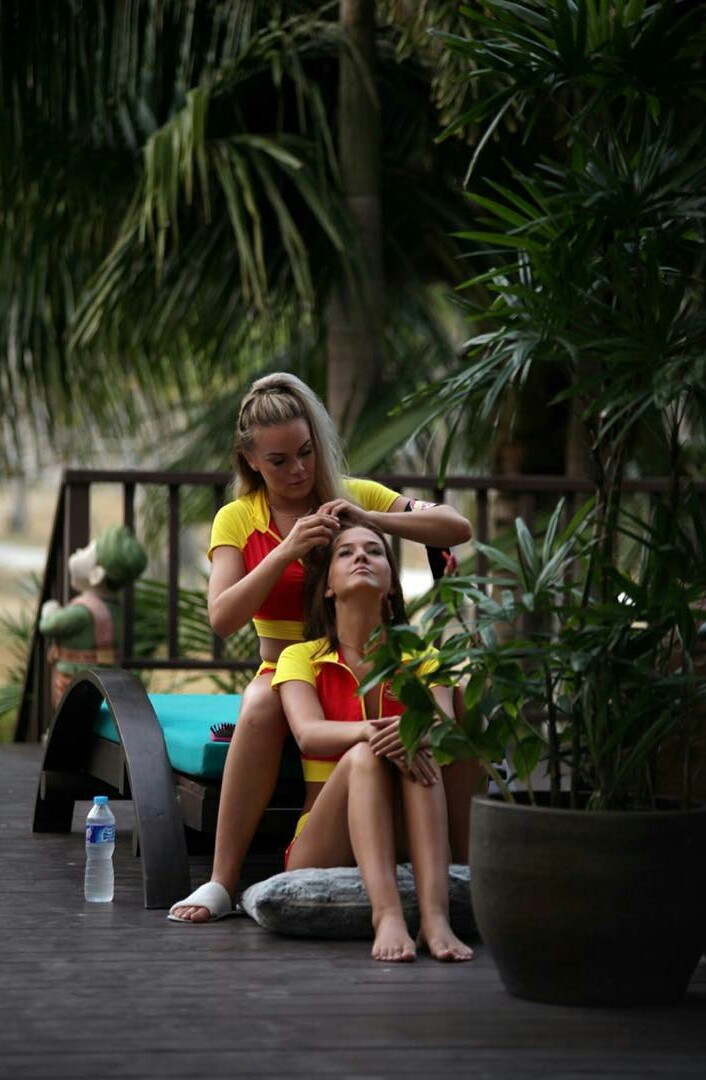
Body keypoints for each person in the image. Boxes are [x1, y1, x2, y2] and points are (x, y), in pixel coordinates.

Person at [169, 372, 472, 923]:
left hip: (365, 659)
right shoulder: (239, 518)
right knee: (261, 703)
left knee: (458, 698)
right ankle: (222, 880)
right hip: (287, 666)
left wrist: (369, 518)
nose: (299, 470)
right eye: (279, 460)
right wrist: (285, 551)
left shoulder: (351, 493)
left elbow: (457, 527)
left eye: (306, 452)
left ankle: (465, 869)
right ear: (250, 459)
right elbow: (222, 617)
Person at [272, 518, 473, 962]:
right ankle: (387, 915)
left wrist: (413, 736)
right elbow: (308, 732)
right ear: (328, 587)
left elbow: (443, 726)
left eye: (374, 551)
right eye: (345, 552)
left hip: (406, 831)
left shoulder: (422, 656)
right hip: (321, 845)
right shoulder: (301, 657)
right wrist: (369, 732)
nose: (361, 555)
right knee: (367, 755)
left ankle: (435, 918)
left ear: (391, 587)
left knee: (420, 746)